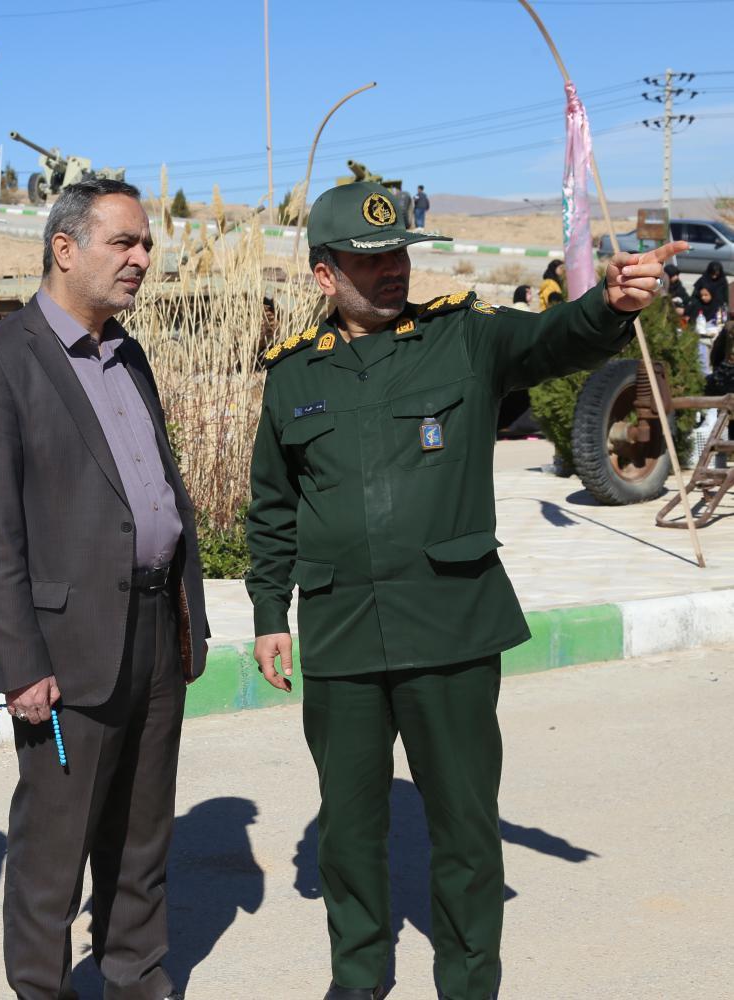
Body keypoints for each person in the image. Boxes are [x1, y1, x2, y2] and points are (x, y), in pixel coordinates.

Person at [244, 180, 684, 1000]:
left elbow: (554, 339)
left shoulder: (466, 338)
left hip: (449, 624)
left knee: (466, 830)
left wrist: (611, 305)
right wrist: (271, 612)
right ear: (324, 274)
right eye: (370, 260)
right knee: (347, 831)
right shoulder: (293, 374)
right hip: (340, 633)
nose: (392, 269)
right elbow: (272, 507)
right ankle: (357, 978)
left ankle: (470, 984)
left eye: (398, 254)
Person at [0, 178, 209, 1000]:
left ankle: (137, 980)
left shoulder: (129, 355)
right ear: (64, 249)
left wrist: (188, 612)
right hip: (66, 652)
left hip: (154, 630)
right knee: (53, 855)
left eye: (146, 244)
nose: (142, 258)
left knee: (142, 839)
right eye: (123, 242)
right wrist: (20, 663)